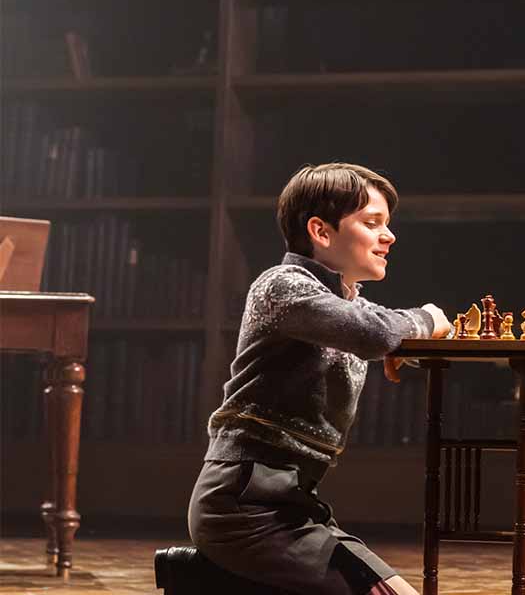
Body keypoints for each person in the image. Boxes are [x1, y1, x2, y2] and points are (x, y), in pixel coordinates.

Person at [188, 163, 453, 595]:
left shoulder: (341, 304)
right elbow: (374, 332)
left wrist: (402, 343)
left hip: (293, 503)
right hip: (243, 506)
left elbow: (376, 331)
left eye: (387, 224)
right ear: (321, 231)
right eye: (372, 223)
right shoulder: (282, 286)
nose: (389, 236)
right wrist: (425, 318)